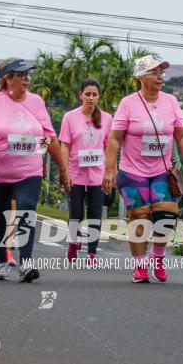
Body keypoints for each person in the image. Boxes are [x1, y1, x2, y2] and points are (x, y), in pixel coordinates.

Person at [103, 55, 183, 283]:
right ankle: (140, 266)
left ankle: (157, 257)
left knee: (166, 215)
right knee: (140, 218)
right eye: (154, 72)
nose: (159, 77)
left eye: (161, 72)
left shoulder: (171, 102)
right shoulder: (128, 103)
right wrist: (109, 169)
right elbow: (115, 139)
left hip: (161, 171)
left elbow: (182, 135)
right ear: (140, 77)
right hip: (132, 171)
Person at [0, 57, 70, 282]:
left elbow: (50, 138)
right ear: (8, 78)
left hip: (29, 170)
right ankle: (1, 261)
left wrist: (63, 169)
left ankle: (25, 263)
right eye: (22, 75)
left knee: (26, 209)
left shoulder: (36, 102)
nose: (27, 79)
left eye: (29, 75)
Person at [59, 79, 112, 264]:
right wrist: (64, 170)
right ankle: (73, 243)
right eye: (87, 94)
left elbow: (110, 147)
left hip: (97, 173)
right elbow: (64, 145)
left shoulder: (106, 119)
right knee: (76, 213)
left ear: (99, 96)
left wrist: (111, 172)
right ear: (81, 94)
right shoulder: (70, 117)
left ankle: (92, 254)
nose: (91, 98)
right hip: (76, 172)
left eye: (94, 94)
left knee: (95, 213)